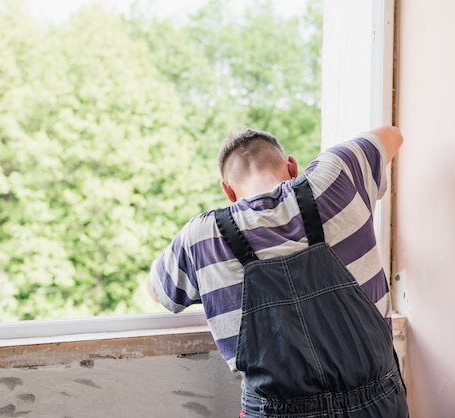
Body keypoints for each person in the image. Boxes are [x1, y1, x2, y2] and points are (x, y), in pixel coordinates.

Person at [147, 125, 408, 417]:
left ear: (229, 191)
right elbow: (393, 136)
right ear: (293, 167)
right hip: (377, 406)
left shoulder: (202, 237)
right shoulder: (336, 174)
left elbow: (157, 292)